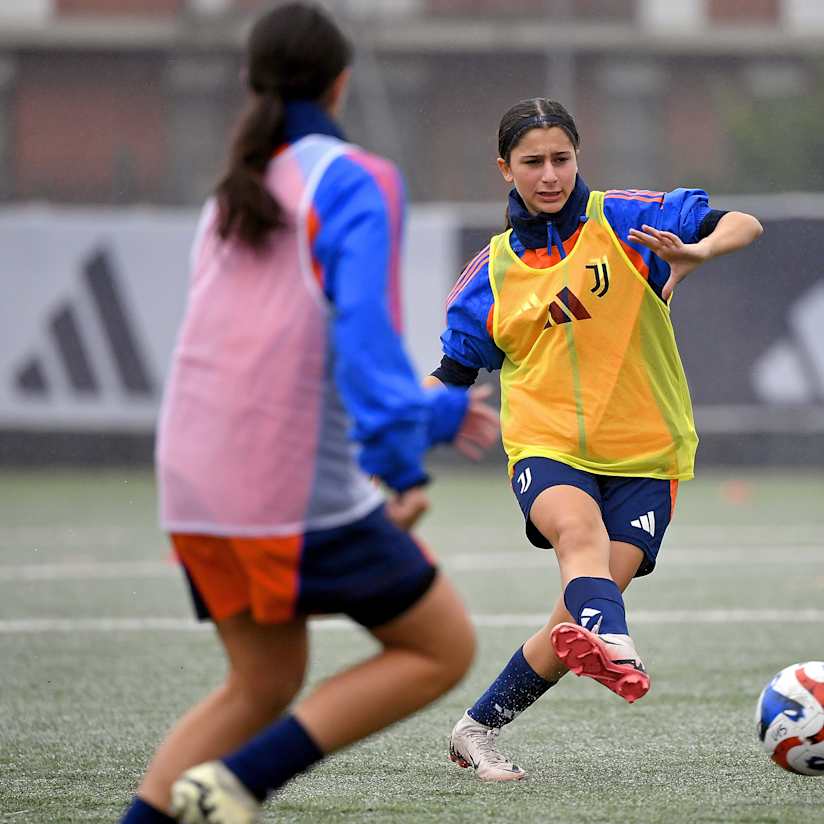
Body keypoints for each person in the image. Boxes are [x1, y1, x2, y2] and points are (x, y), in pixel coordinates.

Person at [117, 4, 500, 823]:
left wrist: (413, 429)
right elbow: (361, 339)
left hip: (189, 481)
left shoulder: (231, 193)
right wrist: (407, 450)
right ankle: (234, 789)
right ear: (341, 81)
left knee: (261, 683)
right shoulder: (356, 177)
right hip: (278, 488)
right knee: (442, 648)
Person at [430, 98, 763, 782]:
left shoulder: (625, 219)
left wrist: (699, 249)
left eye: (561, 159)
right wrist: (390, 429)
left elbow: (743, 222)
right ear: (506, 170)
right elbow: (450, 375)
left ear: (577, 158)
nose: (550, 175)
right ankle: (617, 646)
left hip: (649, 451)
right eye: (533, 163)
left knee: (572, 617)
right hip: (546, 445)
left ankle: (476, 731)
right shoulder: (491, 272)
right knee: (578, 545)